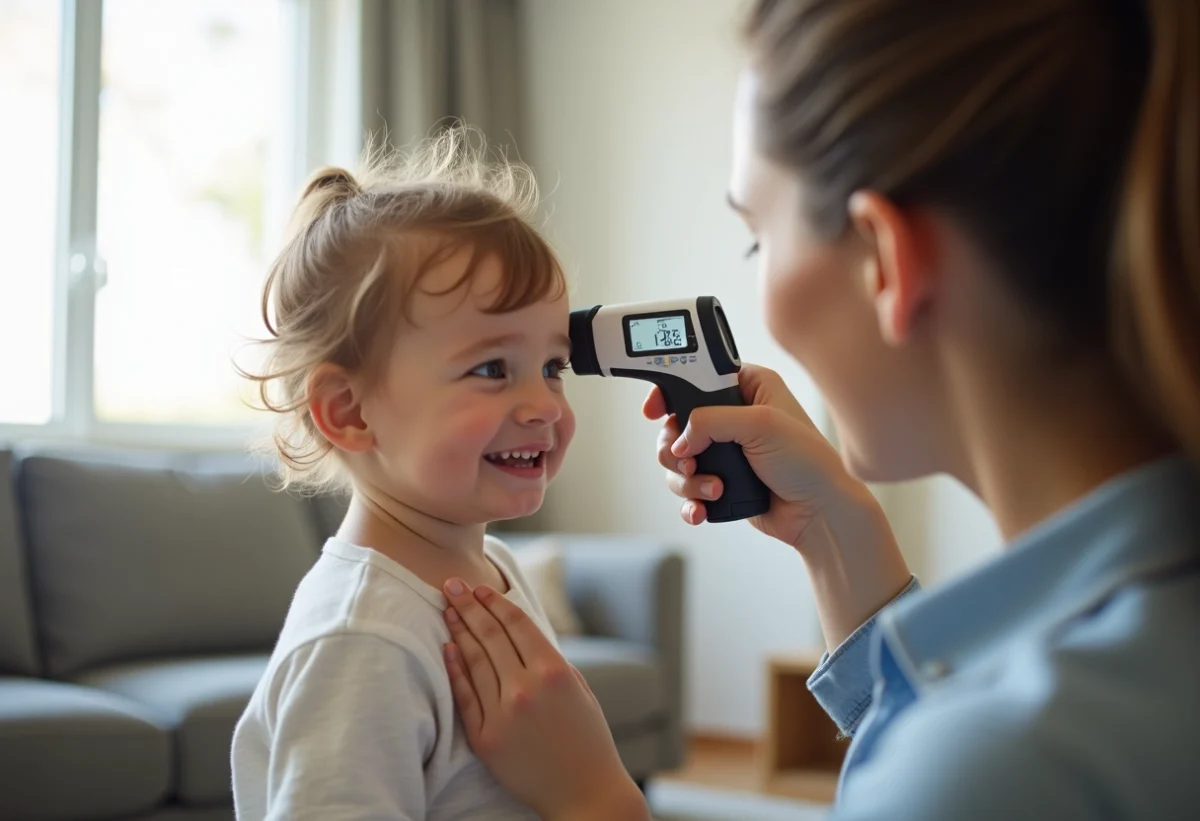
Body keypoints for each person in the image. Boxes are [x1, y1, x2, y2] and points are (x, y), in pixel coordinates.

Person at [435, 0, 1200, 819]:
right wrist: (834, 529)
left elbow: (956, 771)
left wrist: (591, 795)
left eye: (756, 237)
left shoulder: (997, 766)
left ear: (883, 259)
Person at [230, 128, 576, 820]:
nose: (544, 405)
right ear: (350, 410)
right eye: (491, 368)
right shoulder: (361, 638)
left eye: (554, 366)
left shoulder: (499, 566)